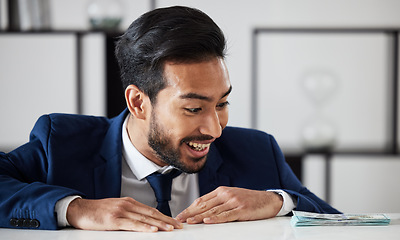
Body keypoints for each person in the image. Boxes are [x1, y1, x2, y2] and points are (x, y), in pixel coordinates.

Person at [0, 6, 339, 232]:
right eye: (193, 108)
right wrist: (74, 209)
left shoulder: (257, 151)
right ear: (138, 102)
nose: (215, 129)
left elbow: (339, 222)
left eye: (222, 103)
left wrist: (279, 201)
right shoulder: (60, 142)